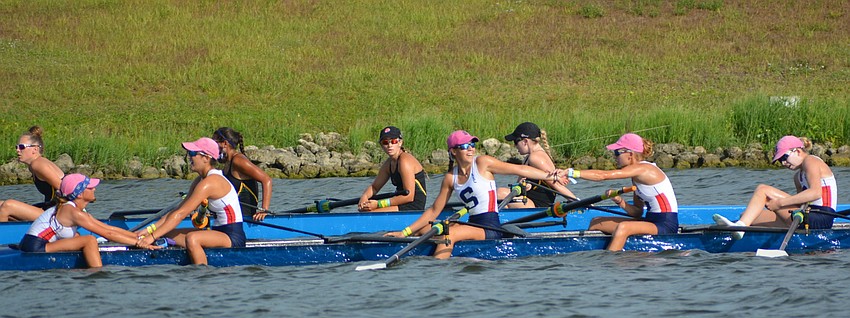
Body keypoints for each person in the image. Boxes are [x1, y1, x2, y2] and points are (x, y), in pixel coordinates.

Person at [385, 130, 566, 259]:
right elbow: (433, 211)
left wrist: (551, 175)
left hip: (490, 227)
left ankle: (437, 274)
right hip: (472, 224)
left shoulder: (483, 163)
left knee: (449, 235)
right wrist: (404, 232)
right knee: (423, 229)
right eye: (465, 146)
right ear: (453, 152)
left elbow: (520, 169)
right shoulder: (450, 177)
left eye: (472, 144)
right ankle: (414, 251)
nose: (471, 148)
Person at [136, 137, 246, 265]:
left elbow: (181, 215)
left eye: (193, 153)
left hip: (232, 236)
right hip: (217, 232)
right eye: (189, 153)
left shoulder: (211, 182)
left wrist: (151, 238)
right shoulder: (200, 181)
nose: (189, 157)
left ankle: (201, 274)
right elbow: (178, 210)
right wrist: (150, 230)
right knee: (167, 233)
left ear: (206, 158)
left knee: (193, 238)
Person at [564, 133, 679, 251]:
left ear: (630, 154)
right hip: (650, 221)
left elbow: (603, 175)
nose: (614, 157)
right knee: (596, 222)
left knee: (623, 227)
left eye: (617, 153)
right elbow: (637, 213)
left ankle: (610, 261)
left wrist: (572, 173)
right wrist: (620, 201)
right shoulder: (636, 178)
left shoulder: (644, 169)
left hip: (666, 224)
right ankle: (600, 251)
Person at [19, 173, 158, 268]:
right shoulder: (73, 212)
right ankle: (98, 273)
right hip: (34, 247)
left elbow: (107, 228)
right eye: (90, 187)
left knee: (80, 236)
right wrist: (140, 244)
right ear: (79, 194)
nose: (95, 188)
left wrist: (137, 236)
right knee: (89, 240)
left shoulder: (77, 210)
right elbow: (107, 234)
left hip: (35, 244)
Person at [713, 136, 837, 239]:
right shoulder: (797, 177)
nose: (783, 163)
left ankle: (739, 229)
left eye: (784, 157)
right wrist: (780, 206)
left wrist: (779, 204)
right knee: (748, 216)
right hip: (805, 215)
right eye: (780, 161)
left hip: (822, 218)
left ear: (798, 151)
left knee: (763, 190)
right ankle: (740, 229)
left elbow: (815, 193)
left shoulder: (811, 161)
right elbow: (801, 203)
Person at [497, 122, 577, 208]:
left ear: (525, 141)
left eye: (515, 142)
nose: (515, 146)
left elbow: (556, 184)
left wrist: (577, 202)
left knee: (500, 193)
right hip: (527, 200)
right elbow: (518, 185)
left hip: (538, 205)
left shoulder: (536, 158)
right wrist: (523, 186)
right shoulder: (528, 157)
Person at [0, 126, 65, 222]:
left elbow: (65, 189)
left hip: (59, 214)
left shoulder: (38, 164)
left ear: (35, 149)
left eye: (22, 147)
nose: (18, 150)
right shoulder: (34, 165)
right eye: (17, 147)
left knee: (8, 206)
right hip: (49, 209)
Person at [357, 126, 427, 212]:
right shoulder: (388, 163)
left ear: (400, 142)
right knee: (365, 210)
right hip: (401, 203)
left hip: (413, 206)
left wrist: (378, 204)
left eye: (393, 141)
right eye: (385, 142)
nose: (389, 145)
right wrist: (364, 197)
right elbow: (374, 187)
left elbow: (409, 196)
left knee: (369, 213)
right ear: (381, 145)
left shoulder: (404, 161)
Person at [212, 127, 273, 221]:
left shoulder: (238, 161)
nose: (212, 146)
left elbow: (266, 180)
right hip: (231, 216)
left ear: (224, 143)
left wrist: (264, 210)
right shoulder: (228, 162)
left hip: (245, 217)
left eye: (214, 142)